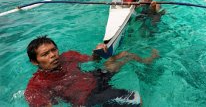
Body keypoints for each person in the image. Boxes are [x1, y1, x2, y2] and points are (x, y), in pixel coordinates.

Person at [24, 35, 158, 107]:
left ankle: (147, 62)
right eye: (45, 54)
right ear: (34, 62)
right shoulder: (36, 85)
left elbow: (93, 60)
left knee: (124, 55)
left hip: (94, 77)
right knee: (136, 99)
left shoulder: (68, 56)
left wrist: (98, 51)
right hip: (89, 97)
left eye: (54, 50)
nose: (53, 55)